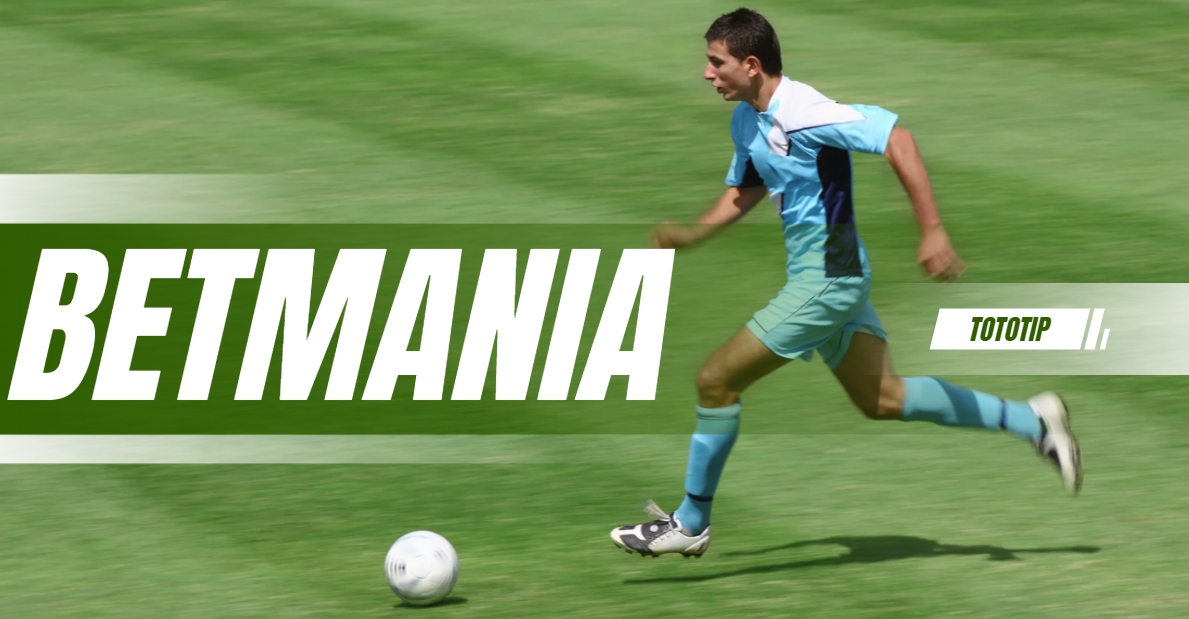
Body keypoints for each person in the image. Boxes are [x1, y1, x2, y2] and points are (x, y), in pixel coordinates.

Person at [610, 8, 1082, 559]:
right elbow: (749, 186)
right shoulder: (747, 119)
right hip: (830, 275)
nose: (707, 73)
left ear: (752, 65)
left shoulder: (806, 112)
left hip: (828, 280)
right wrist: (694, 235)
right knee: (882, 397)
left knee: (715, 380)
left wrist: (932, 231)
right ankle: (1033, 420)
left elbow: (898, 139)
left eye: (717, 63)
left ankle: (691, 523)